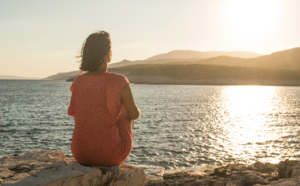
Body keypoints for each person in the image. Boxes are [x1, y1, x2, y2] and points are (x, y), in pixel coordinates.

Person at [68, 31, 141, 167]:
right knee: (125, 111)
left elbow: (76, 113)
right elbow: (134, 115)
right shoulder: (119, 81)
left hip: (80, 154)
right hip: (111, 156)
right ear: (108, 54)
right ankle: (117, 157)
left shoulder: (78, 81)